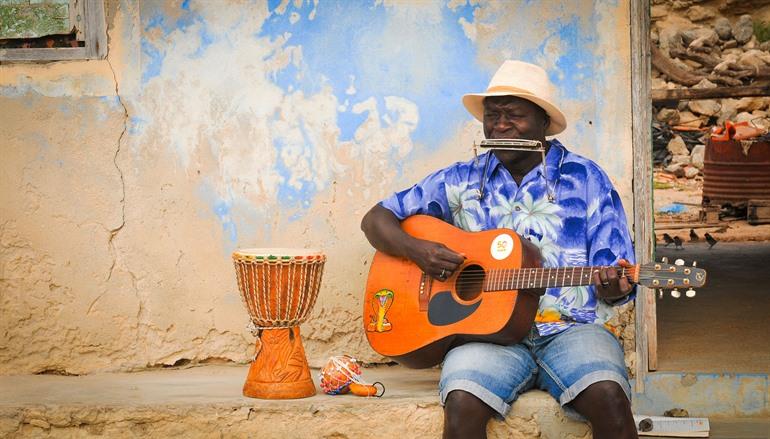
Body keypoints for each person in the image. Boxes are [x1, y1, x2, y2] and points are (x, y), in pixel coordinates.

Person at [360, 60, 639, 439]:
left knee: (610, 397)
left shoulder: (586, 179)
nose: (500, 126)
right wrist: (418, 250)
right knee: (462, 403)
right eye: (492, 116)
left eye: (514, 115)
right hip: (485, 338)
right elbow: (376, 220)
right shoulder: (461, 178)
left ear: (543, 122)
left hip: (572, 332)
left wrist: (615, 285)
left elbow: (616, 273)